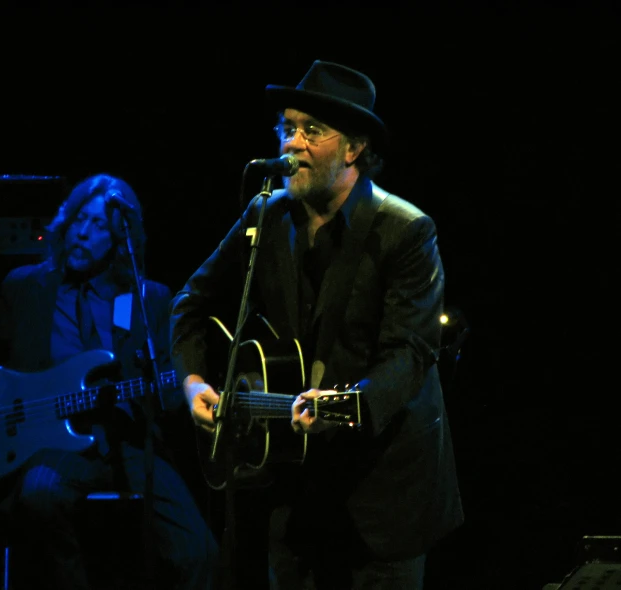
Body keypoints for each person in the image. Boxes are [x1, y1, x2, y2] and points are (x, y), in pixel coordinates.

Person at [169, 60, 464, 589]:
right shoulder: (268, 215)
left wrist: (348, 406)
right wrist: (192, 381)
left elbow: (411, 352)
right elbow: (190, 303)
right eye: (286, 127)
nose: (292, 144)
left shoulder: (406, 230)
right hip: (294, 488)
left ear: (353, 149)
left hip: (383, 495)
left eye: (311, 131)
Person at [0, 173, 218, 589]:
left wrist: (185, 389)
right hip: (53, 445)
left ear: (118, 240)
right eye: (79, 221)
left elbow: (167, 379)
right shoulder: (27, 286)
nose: (84, 234)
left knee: (199, 551)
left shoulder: (146, 299)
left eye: (99, 227)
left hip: (127, 443)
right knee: (39, 496)